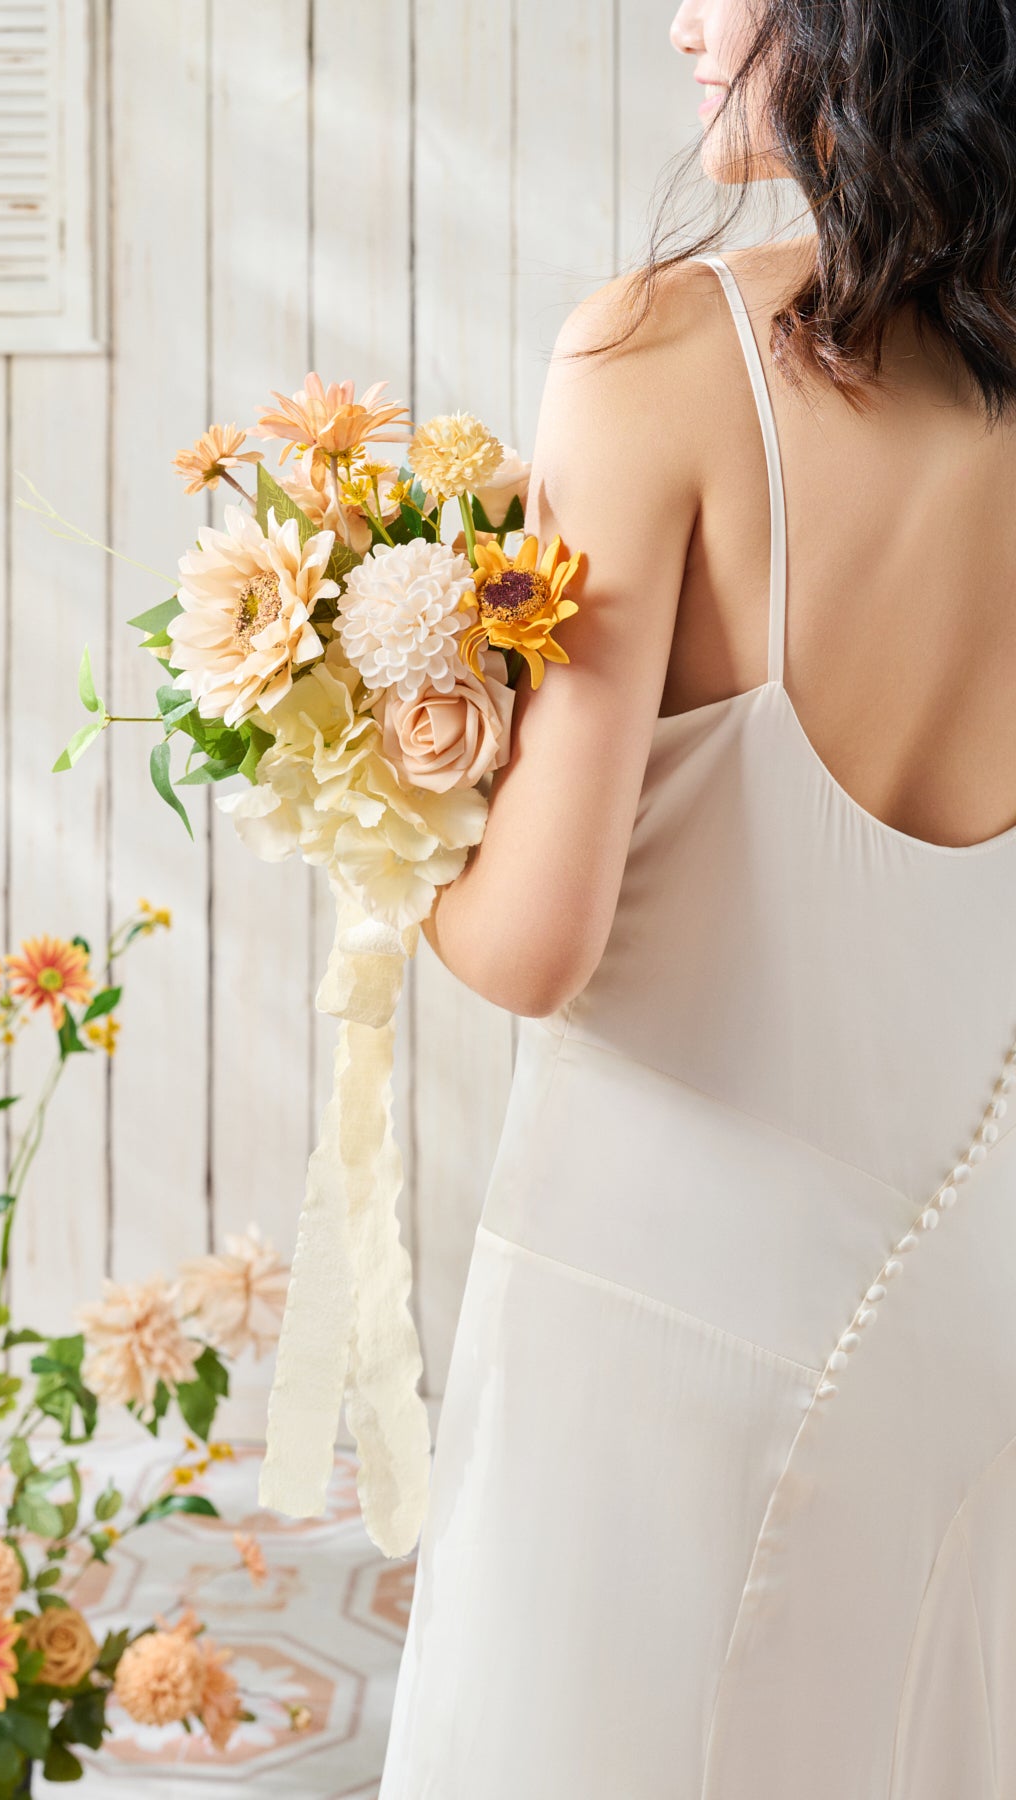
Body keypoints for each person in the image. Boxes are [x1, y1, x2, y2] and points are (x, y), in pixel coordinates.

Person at [378, 0, 1016, 1794]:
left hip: (645, 1328)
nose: (681, 21)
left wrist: (368, 821)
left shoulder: (656, 357)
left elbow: (534, 943)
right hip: (965, 1337)